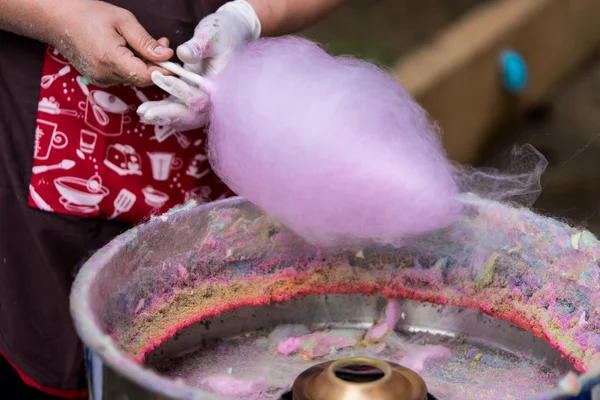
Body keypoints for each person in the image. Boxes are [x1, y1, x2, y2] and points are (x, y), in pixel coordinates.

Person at [0, 0, 344, 398]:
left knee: (228, 335)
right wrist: (57, 16)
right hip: (52, 148)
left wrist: (249, 15)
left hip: (225, 157)